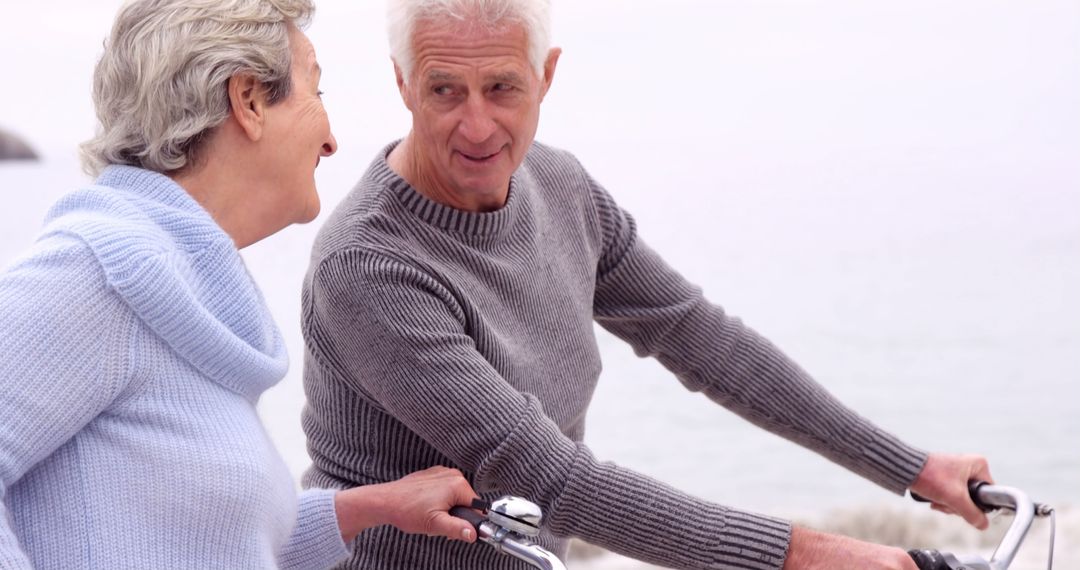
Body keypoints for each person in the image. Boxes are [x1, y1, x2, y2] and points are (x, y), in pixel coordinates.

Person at [300, 0, 993, 568]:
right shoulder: (369, 266)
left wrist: (913, 468)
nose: (476, 125)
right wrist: (809, 556)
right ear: (402, 83)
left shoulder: (559, 185)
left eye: (502, 87)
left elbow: (696, 336)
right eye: (444, 89)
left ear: (546, 75)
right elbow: (551, 478)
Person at [0, 1, 481, 568]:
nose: (331, 142)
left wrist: (372, 506)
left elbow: (213, 543)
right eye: (316, 93)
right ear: (249, 100)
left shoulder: (178, 289)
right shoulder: (97, 273)